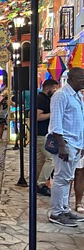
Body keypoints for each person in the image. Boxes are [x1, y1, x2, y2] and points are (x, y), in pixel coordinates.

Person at [47, 67, 84, 227]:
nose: (83, 80)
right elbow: (56, 123)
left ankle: (65, 209)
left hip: (76, 144)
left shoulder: (77, 96)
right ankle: (56, 212)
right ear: (72, 78)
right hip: (66, 144)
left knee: (68, 179)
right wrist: (61, 145)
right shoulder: (61, 95)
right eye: (81, 77)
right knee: (61, 179)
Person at [36, 79, 59, 197]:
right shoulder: (41, 99)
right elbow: (38, 116)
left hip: (40, 133)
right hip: (42, 134)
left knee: (40, 160)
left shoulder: (44, 99)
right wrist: (53, 113)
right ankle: (41, 183)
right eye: (54, 88)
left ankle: (36, 182)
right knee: (51, 159)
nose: (55, 91)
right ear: (48, 88)